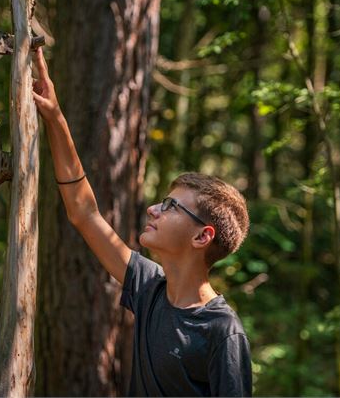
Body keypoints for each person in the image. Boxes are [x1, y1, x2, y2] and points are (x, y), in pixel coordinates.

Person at [31, 46, 252, 397]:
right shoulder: (150, 288)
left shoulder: (222, 330)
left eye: (171, 206)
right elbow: (83, 213)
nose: (153, 209)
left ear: (202, 237)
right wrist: (55, 117)